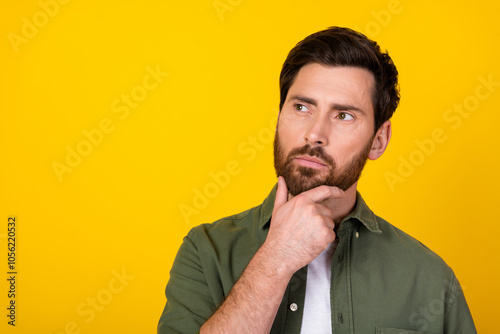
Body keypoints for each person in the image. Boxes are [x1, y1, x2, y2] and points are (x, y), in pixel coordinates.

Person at [158, 27, 476, 333]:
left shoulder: (431, 280)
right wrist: (276, 259)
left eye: (343, 115)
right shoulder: (206, 251)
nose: (315, 133)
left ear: (379, 140)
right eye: (301, 107)